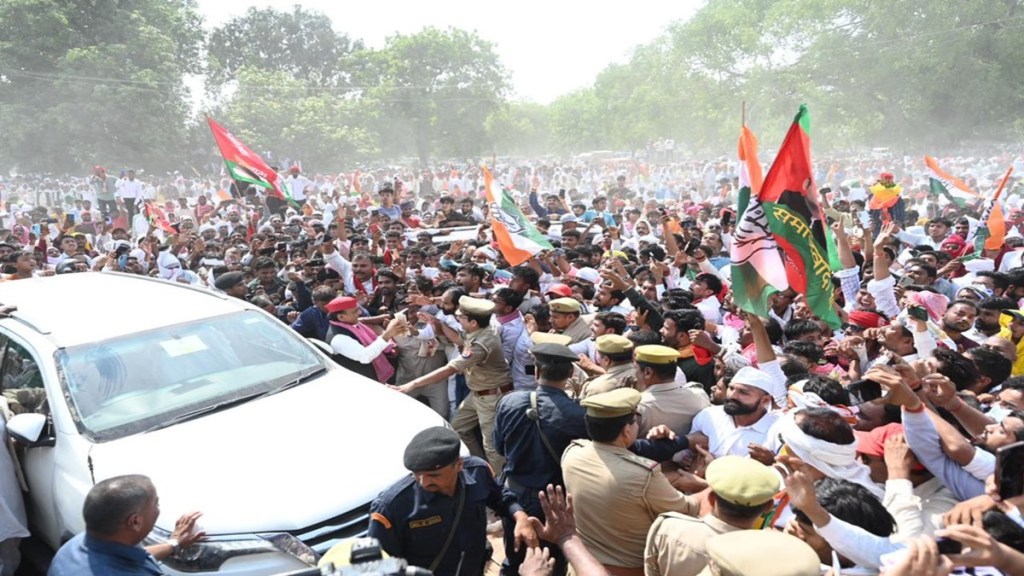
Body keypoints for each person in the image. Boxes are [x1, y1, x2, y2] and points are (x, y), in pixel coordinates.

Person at [561, 388, 700, 575]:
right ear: (626, 431)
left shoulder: (573, 453)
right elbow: (689, 509)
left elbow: (619, 453)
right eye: (636, 421)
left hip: (581, 565)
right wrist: (706, 485)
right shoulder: (643, 475)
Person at [367, 427, 536, 576]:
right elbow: (379, 565)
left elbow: (499, 495)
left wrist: (520, 516)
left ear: (459, 465)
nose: (424, 482)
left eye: (434, 475)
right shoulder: (392, 506)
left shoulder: (478, 472)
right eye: (417, 474)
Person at [393, 296, 512, 472]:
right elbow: (458, 338)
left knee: (491, 446)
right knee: (457, 428)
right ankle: (481, 466)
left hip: (491, 396)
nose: (458, 319)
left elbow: (451, 368)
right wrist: (437, 324)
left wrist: (411, 385)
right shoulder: (485, 325)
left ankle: (499, 482)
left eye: (461, 318)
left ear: (472, 322)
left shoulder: (481, 344)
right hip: (479, 393)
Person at [47, 474, 204, 576]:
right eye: (156, 503)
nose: (158, 509)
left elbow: (135, 558)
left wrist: (174, 543)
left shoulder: (74, 546)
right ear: (135, 521)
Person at [324, 296, 406, 382]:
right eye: (355, 311)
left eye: (358, 309)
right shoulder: (338, 338)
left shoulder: (353, 324)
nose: (360, 313)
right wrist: (386, 335)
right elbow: (365, 357)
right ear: (341, 317)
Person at [632, 344, 709, 437]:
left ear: (648, 372)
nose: (634, 375)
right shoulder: (699, 396)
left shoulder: (638, 407)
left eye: (635, 368)